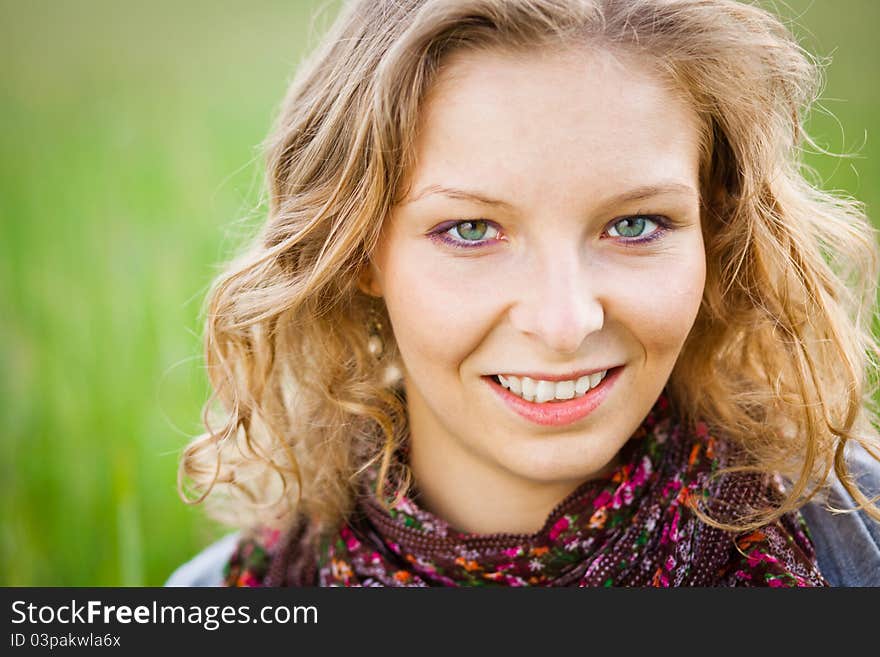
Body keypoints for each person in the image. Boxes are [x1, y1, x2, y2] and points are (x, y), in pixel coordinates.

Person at [169, 0, 880, 587]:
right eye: (472, 229)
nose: (564, 321)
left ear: (716, 227)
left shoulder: (858, 547)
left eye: (634, 225)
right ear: (357, 251)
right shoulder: (229, 594)